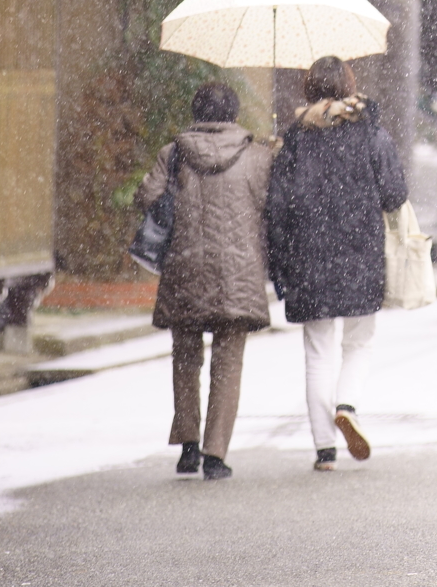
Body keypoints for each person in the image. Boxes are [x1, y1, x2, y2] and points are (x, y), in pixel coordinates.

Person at [266, 56, 408, 471]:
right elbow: (395, 194)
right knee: (359, 343)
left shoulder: (294, 140)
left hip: (307, 256)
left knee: (318, 352)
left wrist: (279, 262)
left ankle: (325, 450)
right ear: (350, 87)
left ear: (308, 90)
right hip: (360, 252)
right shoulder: (371, 135)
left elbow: (276, 209)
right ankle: (347, 404)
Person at [136, 81, 273, 480]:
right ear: (233, 114)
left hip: (186, 267)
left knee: (185, 358)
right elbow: (272, 205)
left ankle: (187, 446)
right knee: (228, 363)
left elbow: (147, 197)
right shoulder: (257, 156)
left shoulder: (174, 153)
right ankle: (216, 453)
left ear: (197, 113)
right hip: (238, 272)